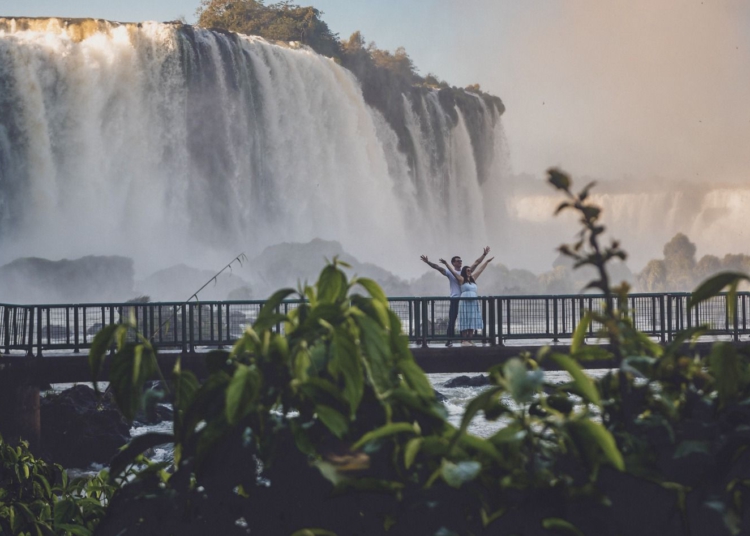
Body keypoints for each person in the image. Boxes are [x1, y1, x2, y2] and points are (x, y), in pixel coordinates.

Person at [420, 247, 490, 346]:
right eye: (458, 261)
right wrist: (428, 262)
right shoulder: (450, 272)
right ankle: (450, 340)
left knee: (466, 319)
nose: (460, 262)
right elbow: (437, 267)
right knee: (452, 319)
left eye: (461, 261)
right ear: (453, 263)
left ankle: (465, 340)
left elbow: (476, 263)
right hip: (455, 298)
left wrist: (484, 255)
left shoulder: (465, 272)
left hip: (465, 300)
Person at [440, 255, 494, 346]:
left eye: (470, 270)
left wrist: (486, 262)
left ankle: (469, 339)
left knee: (472, 320)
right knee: (464, 319)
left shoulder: (473, 278)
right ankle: (463, 340)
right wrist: (446, 264)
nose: (470, 271)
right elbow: (453, 272)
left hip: (473, 302)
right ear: (464, 272)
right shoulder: (461, 279)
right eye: (468, 270)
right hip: (464, 301)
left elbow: (480, 269)